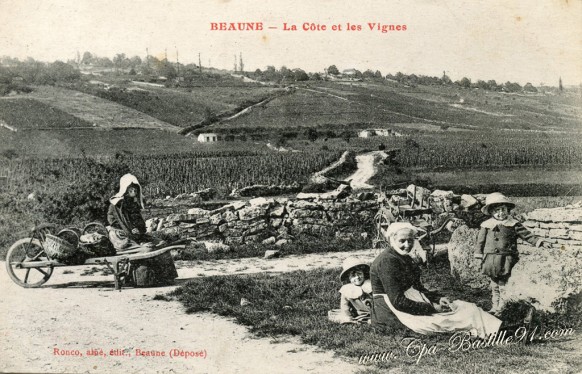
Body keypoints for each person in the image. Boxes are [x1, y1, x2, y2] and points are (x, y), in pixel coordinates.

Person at [370, 222, 502, 339]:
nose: (407, 245)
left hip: (410, 301)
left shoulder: (404, 257)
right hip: (393, 310)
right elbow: (398, 301)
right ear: (392, 239)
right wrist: (432, 308)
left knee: (465, 307)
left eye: (410, 240)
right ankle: (500, 330)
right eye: (402, 241)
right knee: (454, 319)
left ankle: (497, 327)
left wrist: (437, 299)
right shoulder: (387, 261)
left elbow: (418, 288)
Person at [474, 192, 552, 315]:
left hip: (506, 259)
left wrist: (540, 242)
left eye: (503, 209)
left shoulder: (513, 224)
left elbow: (527, 235)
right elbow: (480, 242)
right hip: (491, 259)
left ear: (508, 210)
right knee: (494, 284)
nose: (501, 213)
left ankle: (503, 307)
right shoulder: (486, 225)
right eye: (497, 210)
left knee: (503, 283)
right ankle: (495, 306)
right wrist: (478, 256)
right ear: (491, 212)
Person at [107, 173, 178, 286]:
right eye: (130, 189)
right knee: (148, 249)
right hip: (122, 237)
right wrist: (133, 234)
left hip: (135, 235)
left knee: (162, 244)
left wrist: (139, 231)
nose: (133, 192)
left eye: (135, 189)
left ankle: (166, 278)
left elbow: (140, 223)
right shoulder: (117, 204)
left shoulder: (133, 204)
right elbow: (120, 223)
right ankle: (141, 279)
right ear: (124, 189)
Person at [328, 258, 373, 324]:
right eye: (353, 275)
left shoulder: (370, 284)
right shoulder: (347, 290)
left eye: (359, 274)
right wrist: (348, 316)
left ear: (364, 274)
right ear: (348, 278)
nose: (357, 277)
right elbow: (344, 305)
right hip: (360, 314)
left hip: (375, 312)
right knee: (340, 316)